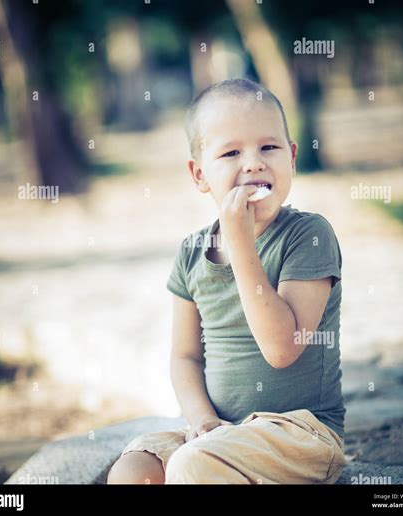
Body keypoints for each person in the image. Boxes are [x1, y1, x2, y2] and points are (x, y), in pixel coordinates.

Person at [107, 78, 347, 484]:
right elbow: (185, 357)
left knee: (193, 465)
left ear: (291, 157)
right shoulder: (191, 252)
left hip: (298, 434)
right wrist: (203, 422)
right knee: (133, 471)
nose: (253, 163)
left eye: (268, 147)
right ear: (200, 174)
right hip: (220, 433)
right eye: (232, 152)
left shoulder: (309, 235)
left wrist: (240, 244)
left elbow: (282, 349)